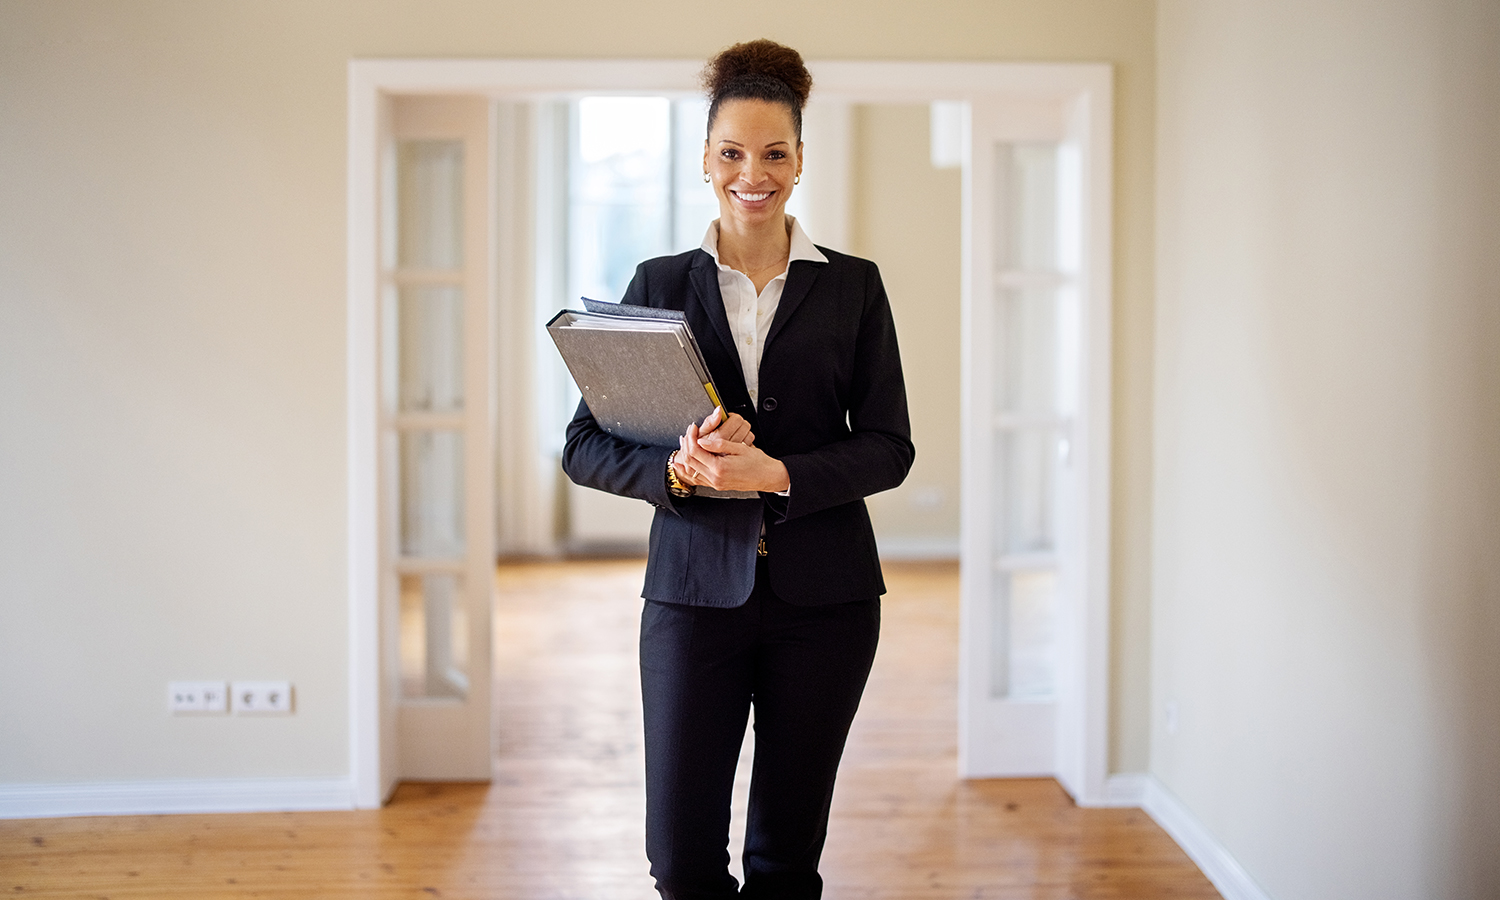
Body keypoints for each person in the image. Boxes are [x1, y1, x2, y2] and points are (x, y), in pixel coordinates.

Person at [561, 38, 914, 900]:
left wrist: (778, 474)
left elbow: (888, 445)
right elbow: (585, 443)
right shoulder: (656, 282)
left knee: (785, 864)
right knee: (680, 862)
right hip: (689, 602)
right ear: (705, 161)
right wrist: (676, 473)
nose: (751, 173)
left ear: (799, 162)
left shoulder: (854, 289)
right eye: (731, 152)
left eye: (773, 153)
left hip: (826, 607)